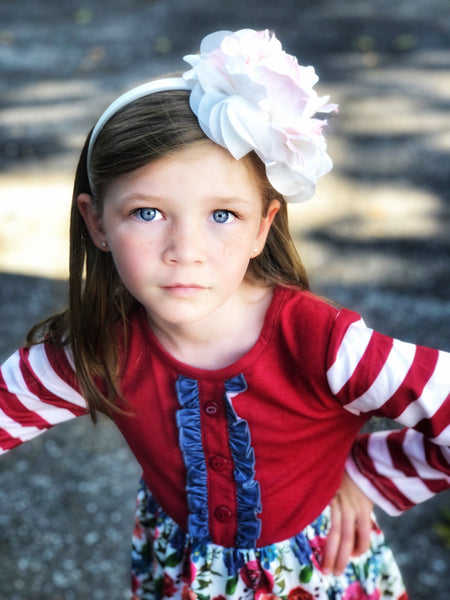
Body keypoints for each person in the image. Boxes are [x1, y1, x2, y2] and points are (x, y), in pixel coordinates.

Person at [0, 28, 448, 600]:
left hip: (319, 574)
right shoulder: (97, 350)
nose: (184, 248)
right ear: (97, 224)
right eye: (146, 212)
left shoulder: (324, 345)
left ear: (264, 225)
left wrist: (368, 476)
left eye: (222, 215)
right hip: (178, 575)